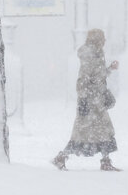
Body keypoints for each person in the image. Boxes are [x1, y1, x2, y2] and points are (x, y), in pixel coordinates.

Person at [52, 29, 121, 171]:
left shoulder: (97, 53)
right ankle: (61, 157)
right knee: (82, 134)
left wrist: (109, 69)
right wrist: (83, 100)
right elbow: (83, 79)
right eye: (103, 38)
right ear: (97, 39)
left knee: (103, 131)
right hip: (90, 102)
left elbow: (98, 76)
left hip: (97, 101)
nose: (105, 41)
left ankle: (105, 161)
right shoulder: (90, 55)